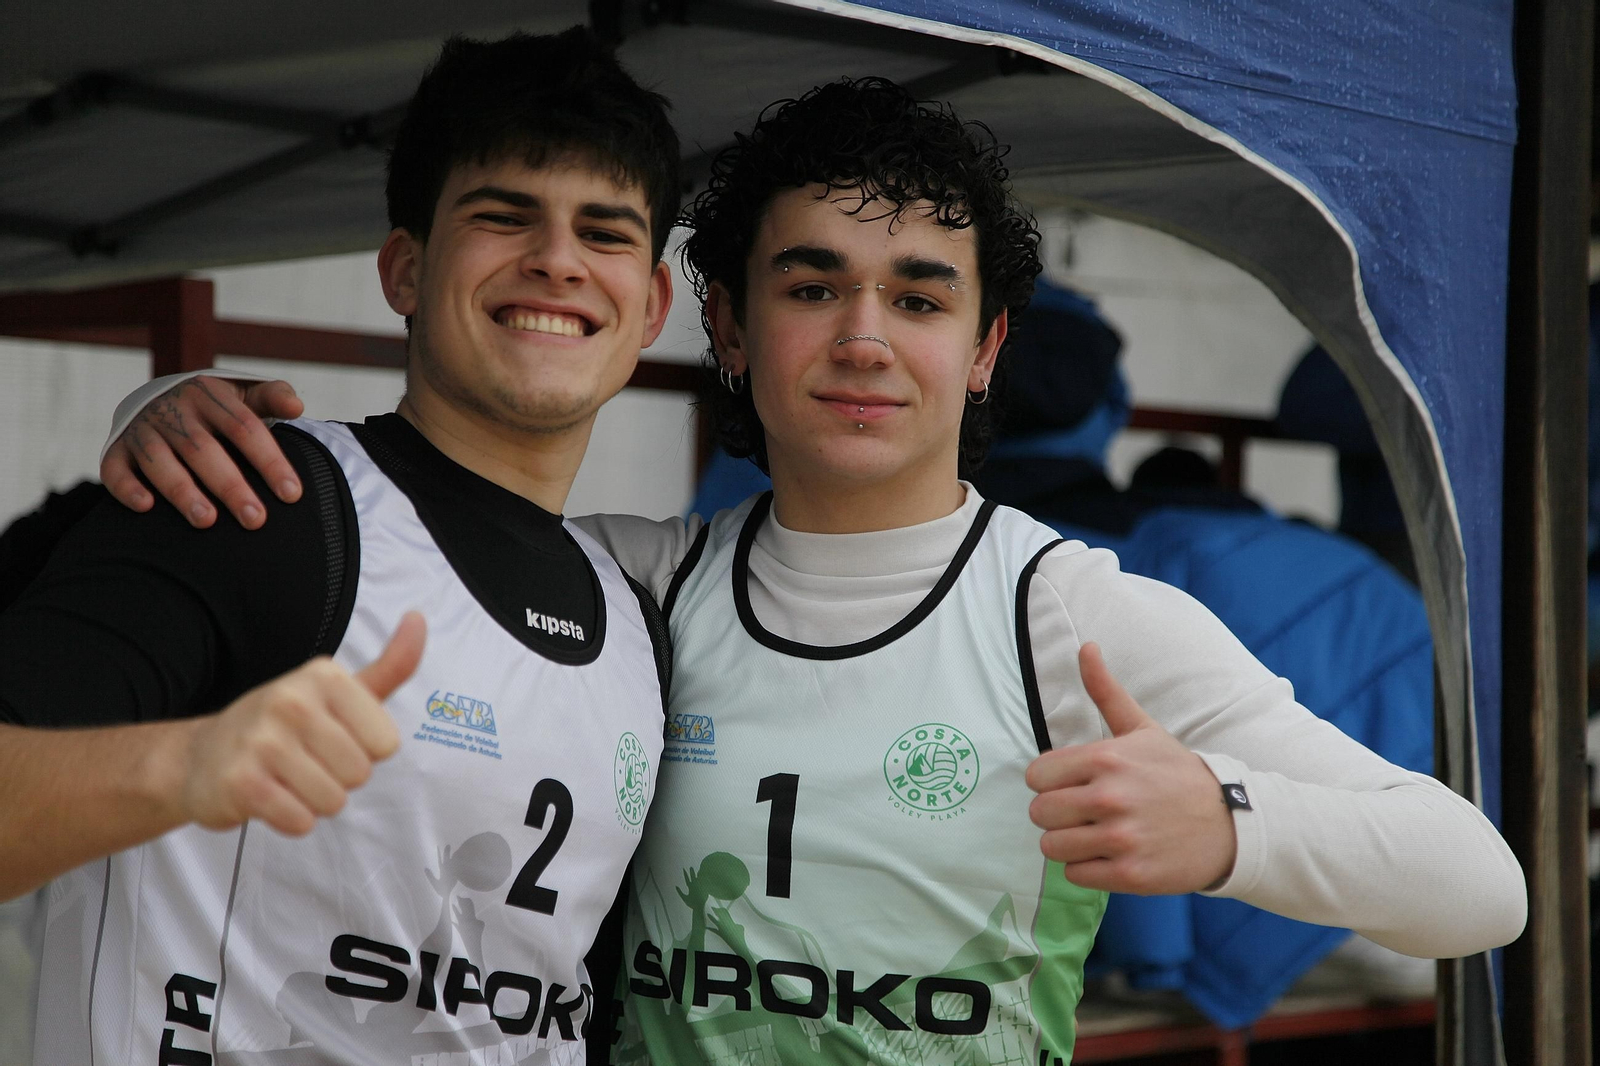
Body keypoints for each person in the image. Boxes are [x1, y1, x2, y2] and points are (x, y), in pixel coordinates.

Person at [100, 78, 1526, 1065]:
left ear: (982, 351)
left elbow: (1480, 884)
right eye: (811, 284)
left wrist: (1228, 823)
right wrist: (165, 411)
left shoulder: (1066, 614)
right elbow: (400, 523)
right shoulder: (632, 590)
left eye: (919, 295)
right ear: (724, 325)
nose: (863, 334)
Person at [0, 28, 679, 1065]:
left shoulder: (634, 621)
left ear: (651, 310)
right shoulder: (251, 500)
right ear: (404, 269)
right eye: (505, 216)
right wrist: (184, 764)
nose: (557, 259)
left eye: (605, 230)